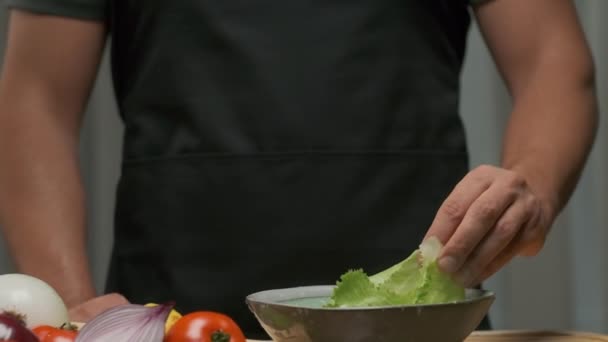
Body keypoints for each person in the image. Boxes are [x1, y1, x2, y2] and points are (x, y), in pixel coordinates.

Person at [0, 0, 597, 338]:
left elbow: (553, 61)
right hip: (174, 321)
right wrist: (73, 308)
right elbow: (34, 98)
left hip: (417, 324)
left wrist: (533, 187)